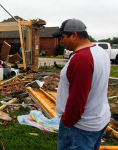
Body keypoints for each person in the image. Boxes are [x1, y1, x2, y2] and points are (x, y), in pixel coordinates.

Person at [52, 19, 110, 150]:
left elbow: (77, 98)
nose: (61, 42)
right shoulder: (100, 52)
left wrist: (66, 122)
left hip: (80, 128)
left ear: (74, 35)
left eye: (62, 37)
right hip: (98, 120)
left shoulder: (82, 58)